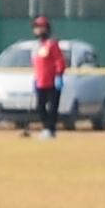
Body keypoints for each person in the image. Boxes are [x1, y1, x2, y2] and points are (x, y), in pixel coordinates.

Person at [25, 12, 66, 140]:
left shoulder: (52, 44)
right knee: (40, 107)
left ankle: (50, 130)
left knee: (53, 107)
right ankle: (45, 128)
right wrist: (36, 78)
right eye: (36, 27)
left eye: (40, 27)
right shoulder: (36, 46)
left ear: (46, 28)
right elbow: (37, 64)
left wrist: (59, 75)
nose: (37, 29)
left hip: (53, 81)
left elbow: (59, 60)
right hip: (40, 81)